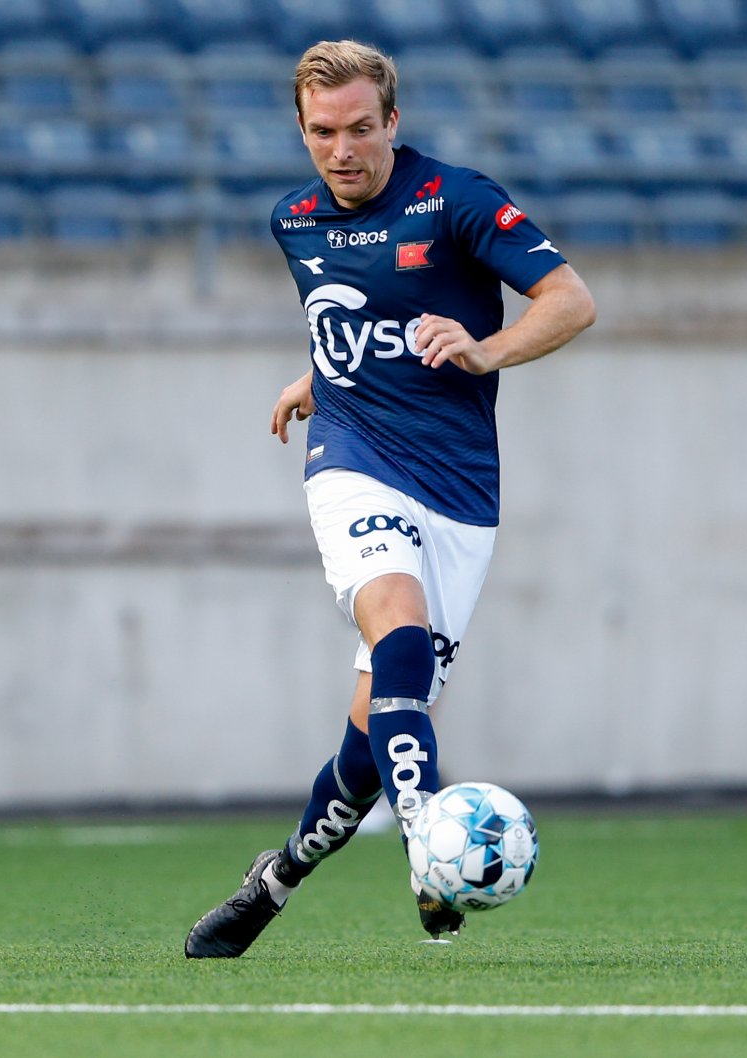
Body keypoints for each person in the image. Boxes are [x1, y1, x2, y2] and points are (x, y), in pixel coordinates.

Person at [185, 39, 595, 958]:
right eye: (322, 132)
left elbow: (571, 300)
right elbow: (355, 315)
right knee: (398, 628)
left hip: (459, 487)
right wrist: (321, 380)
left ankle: (275, 880)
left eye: (361, 129)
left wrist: (487, 350)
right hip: (351, 458)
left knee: (371, 739)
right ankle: (426, 842)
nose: (343, 151)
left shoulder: (456, 199)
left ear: (393, 122)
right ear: (302, 131)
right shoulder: (292, 218)